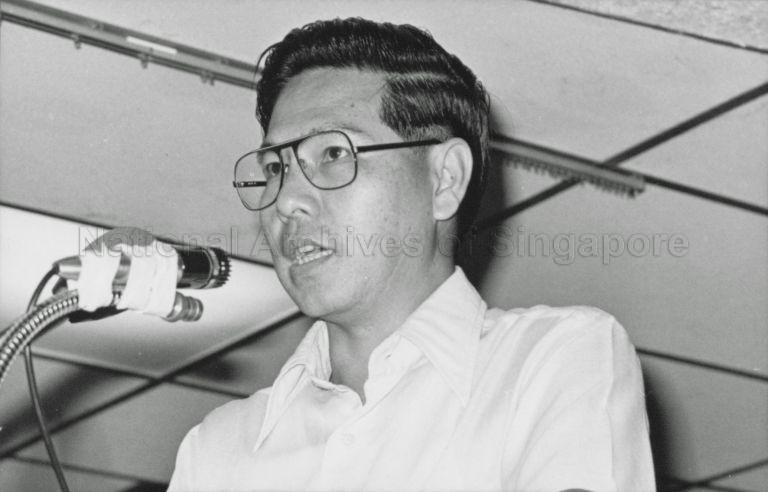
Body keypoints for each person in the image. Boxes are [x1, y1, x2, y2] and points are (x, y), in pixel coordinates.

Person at [169, 17, 655, 491]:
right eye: (276, 168)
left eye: (334, 153)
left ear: (444, 179)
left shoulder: (550, 361)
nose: (287, 200)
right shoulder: (219, 449)